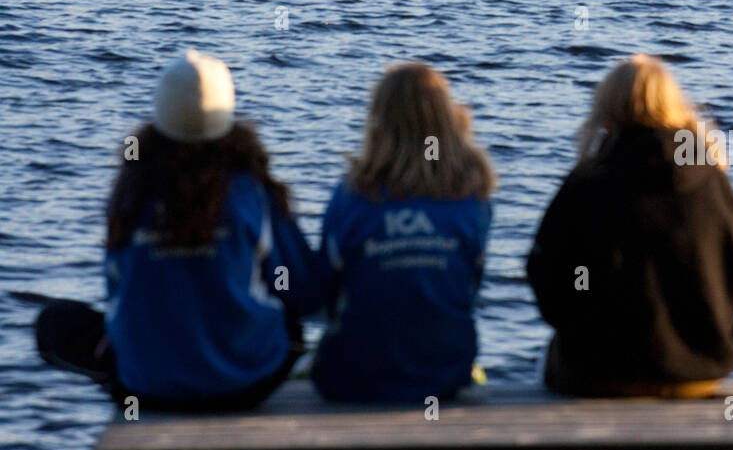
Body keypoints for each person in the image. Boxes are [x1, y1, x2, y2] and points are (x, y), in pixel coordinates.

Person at [512, 54, 733, 450]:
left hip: (599, 377)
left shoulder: (588, 183)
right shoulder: (712, 182)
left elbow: (550, 285)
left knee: (553, 366)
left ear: (608, 110)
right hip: (696, 373)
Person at [36, 50, 323, 412]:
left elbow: (117, 286)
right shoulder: (253, 190)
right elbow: (306, 291)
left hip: (146, 386)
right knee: (284, 316)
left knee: (55, 322)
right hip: (245, 385)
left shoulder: (131, 193)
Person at [311, 62, 496, 402]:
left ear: (379, 121)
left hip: (351, 378)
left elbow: (323, 286)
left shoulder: (353, 194)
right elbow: (470, 282)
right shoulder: (473, 196)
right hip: (446, 375)